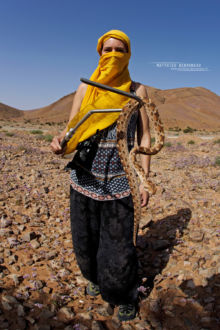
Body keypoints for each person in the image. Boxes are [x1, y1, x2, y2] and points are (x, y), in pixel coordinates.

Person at [50, 29, 151, 322]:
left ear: (128, 54)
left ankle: (124, 294)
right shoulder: (86, 89)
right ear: (99, 53)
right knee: (85, 241)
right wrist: (59, 144)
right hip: (83, 179)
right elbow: (71, 131)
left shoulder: (137, 90)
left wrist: (144, 180)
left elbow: (144, 138)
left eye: (119, 50)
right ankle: (94, 278)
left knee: (119, 249)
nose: (113, 55)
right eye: (107, 50)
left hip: (121, 181)